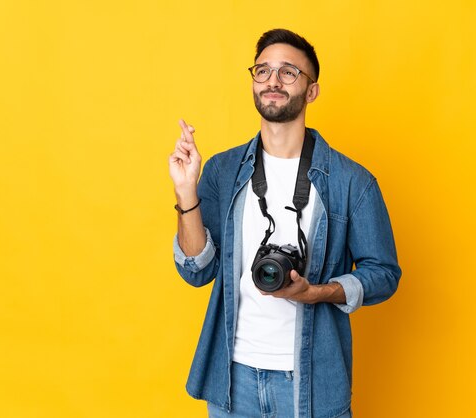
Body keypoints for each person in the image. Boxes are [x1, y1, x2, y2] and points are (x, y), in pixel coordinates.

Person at [169, 28, 401, 418]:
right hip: (232, 381)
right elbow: (196, 270)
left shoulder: (351, 181)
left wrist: (320, 292)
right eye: (263, 70)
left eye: (289, 72)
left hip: (312, 384)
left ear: (311, 91)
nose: (273, 81)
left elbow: (385, 273)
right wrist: (186, 191)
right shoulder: (222, 170)